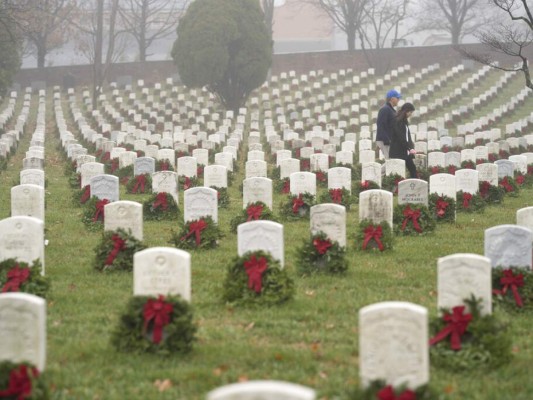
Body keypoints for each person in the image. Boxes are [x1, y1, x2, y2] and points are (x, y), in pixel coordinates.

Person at [390, 102, 417, 178]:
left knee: (412, 169)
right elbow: (401, 137)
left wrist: (411, 147)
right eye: (410, 112)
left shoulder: (404, 121)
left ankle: (414, 185)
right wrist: (409, 148)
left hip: (404, 151)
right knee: (397, 172)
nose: (411, 114)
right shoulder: (398, 121)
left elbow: (408, 136)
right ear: (406, 111)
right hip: (398, 151)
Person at [376, 89, 401, 160]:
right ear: (392, 99)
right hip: (385, 140)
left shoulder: (391, 110)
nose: (398, 100)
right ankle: (376, 171)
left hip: (389, 140)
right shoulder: (385, 109)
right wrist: (386, 140)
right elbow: (381, 125)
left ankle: (378, 171)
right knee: (391, 161)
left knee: (391, 161)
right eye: (397, 98)